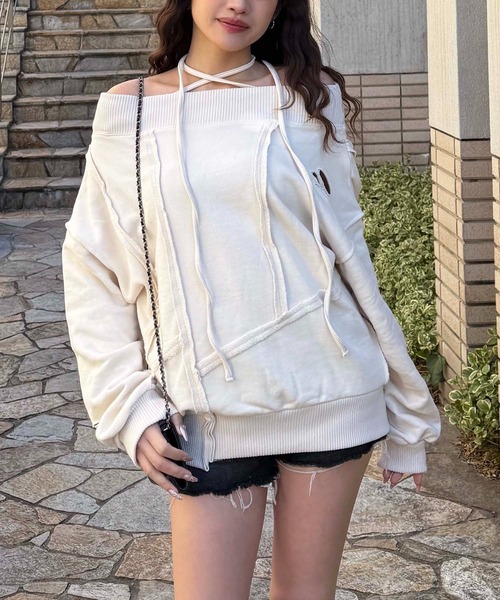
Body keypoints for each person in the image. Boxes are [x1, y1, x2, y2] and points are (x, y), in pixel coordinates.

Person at [61, 0, 442, 598]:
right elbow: (92, 268)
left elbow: (349, 256)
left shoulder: (309, 98)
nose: (239, 4)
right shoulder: (129, 111)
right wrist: (127, 406)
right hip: (206, 416)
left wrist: (406, 407)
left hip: (331, 396)